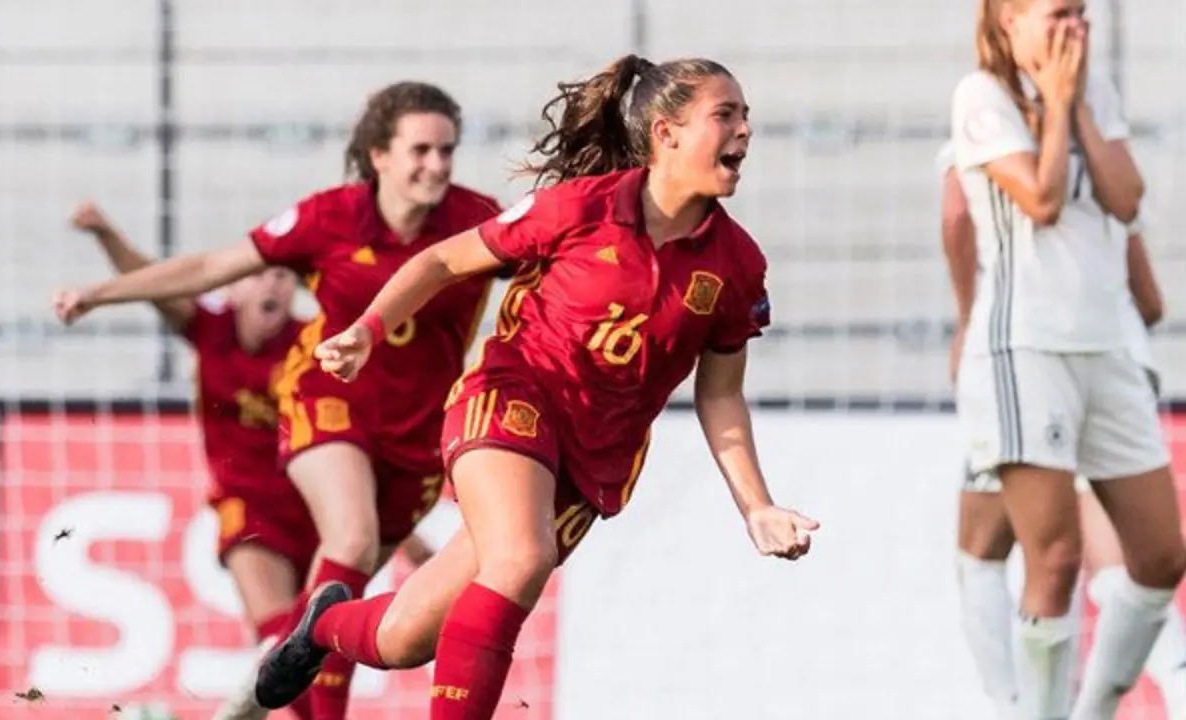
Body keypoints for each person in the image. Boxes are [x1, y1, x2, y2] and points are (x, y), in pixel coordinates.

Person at [251, 54, 818, 720]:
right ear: (665, 133)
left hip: (592, 461)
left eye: (746, 116)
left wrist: (756, 505)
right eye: (727, 114)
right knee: (520, 557)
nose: (745, 130)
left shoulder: (739, 266)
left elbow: (720, 395)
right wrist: (371, 330)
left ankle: (322, 626)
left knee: (405, 638)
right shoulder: (581, 207)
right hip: (512, 396)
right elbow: (441, 260)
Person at [53, 82, 500, 720]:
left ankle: (263, 695)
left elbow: (554, 255)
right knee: (351, 536)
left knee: (340, 608)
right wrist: (102, 292)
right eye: (421, 150)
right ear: (379, 155)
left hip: (418, 436)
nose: (436, 165)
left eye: (447, 151)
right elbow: (211, 267)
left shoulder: (476, 220)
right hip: (328, 404)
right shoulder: (330, 217)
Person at [953, 1, 1185, 717]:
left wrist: (1077, 103)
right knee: (1050, 560)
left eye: (1082, 13)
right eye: (1059, 14)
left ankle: (1092, 711)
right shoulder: (982, 97)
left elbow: (1126, 195)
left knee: (1160, 558)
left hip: (1108, 351)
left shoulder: (1096, 92)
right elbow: (1043, 199)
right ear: (1008, 21)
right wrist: (1054, 102)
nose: (1076, 28)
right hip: (1026, 351)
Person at [68, 202, 325, 718]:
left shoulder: (311, 346)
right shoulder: (210, 328)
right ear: (234, 286)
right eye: (260, 276)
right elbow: (153, 282)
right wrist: (105, 233)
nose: (274, 287)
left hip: (317, 512)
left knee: (319, 648)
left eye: (283, 278)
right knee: (279, 636)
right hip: (250, 512)